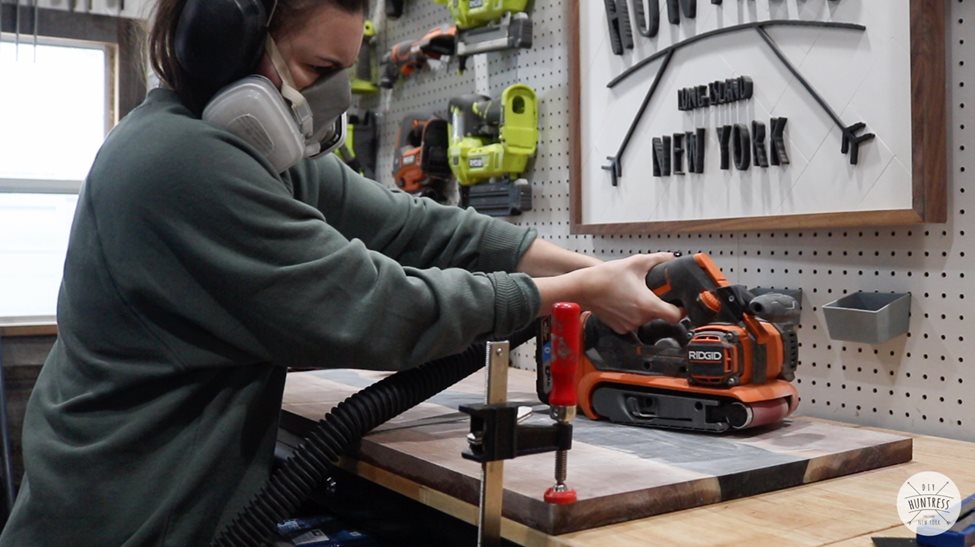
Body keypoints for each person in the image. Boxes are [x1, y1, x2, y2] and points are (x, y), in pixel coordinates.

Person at [0, 0, 681, 545]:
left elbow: (419, 226)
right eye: (312, 68)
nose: (325, 102)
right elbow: (382, 309)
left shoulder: (248, 150)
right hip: (127, 515)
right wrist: (577, 293)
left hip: (175, 496)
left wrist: (601, 271)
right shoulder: (180, 162)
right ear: (226, 47)